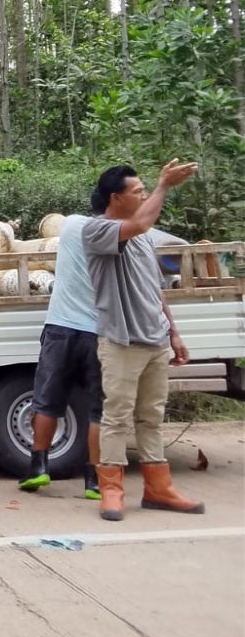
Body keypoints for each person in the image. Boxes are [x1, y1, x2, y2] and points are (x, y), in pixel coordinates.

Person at [82, 160, 205, 521]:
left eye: (146, 190)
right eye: (137, 191)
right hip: (121, 341)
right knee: (116, 417)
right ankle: (112, 490)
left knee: (151, 417)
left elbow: (155, 289)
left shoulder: (143, 239)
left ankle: (158, 488)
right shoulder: (98, 230)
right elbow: (139, 222)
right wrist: (164, 185)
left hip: (155, 340)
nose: (143, 194)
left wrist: (174, 332)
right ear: (115, 198)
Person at [19, 213, 103, 500]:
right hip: (97, 332)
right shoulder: (118, 237)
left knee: (46, 401)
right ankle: (94, 479)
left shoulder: (72, 225)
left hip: (61, 329)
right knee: (97, 409)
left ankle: (38, 467)